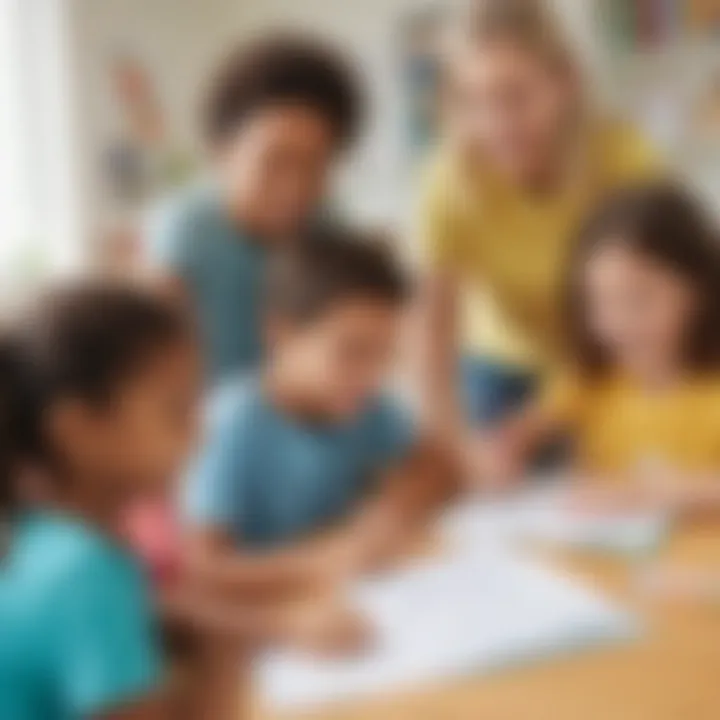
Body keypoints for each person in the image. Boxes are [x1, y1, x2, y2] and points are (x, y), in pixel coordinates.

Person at [417, 0, 660, 483]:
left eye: (516, 95)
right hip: (501, 371)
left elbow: (671, 293)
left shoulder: (622, 158)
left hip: (612, 361)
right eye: (475, 101)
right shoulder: (449, 183)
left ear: (565, 82)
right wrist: (451, 446)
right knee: (503, 507)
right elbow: (431, 334)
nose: (497, 123)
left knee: (618, 492)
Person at [182, 230, 451, 599]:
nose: (373, 374)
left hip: (354, 600)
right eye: (353, 351)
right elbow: (203, 570)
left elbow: (438, 467)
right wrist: (323, 559)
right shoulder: (230, 425)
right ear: (281, 334)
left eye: (386, 354)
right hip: (268, 622)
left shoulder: (364, 404)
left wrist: (394, 507)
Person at [0, 283, 198, 720]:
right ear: (79, 430)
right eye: (177, 411)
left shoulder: (33, 531)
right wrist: (228, 657)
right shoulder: (86, 569)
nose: (201, 432)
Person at [484, 182, 720, 516]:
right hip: (599, 555)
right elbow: (519, 436)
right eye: (600, 303)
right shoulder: (589, 381)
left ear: (700, 291)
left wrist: (666, 490)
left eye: (639, 299)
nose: (618, 323)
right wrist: (507, 453)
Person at [147, 34, 363, 383]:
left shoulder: (329, 231)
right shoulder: (186, 230)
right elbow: (155, 363)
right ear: (222, 152)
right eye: (275, 161)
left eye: (316, 164)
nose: (294, 187)